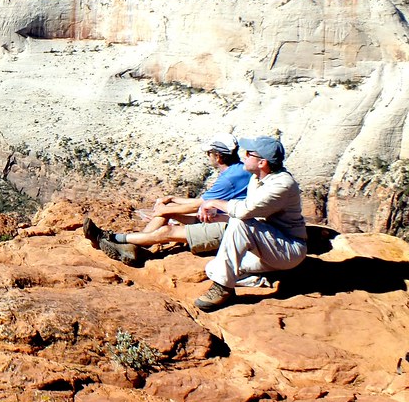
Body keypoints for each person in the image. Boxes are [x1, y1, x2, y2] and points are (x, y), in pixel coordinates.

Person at [83, 133, 252, 266]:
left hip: (226, 227)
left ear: (218, 156)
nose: (208, 157)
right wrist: (170, 200)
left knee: (166, 231)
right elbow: (203, 201)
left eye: (209, 153)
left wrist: (166, 209)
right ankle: (137, 246)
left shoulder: (229, 178)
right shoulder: (237, 170)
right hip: (219, 218)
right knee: (167, 209)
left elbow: (197, 205)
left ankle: (108, 237)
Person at [192, 135, 308, 311]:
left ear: (262, 162)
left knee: (238, 227)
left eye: (248, 153)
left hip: (288, 249)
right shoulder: (256, 179)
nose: (243, 156)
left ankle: (223, 290)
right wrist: (218, 216)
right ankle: (262, 279)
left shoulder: (282, 184)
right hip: (267, 245)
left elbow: (243, 213)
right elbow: (250, 217)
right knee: (213, 269)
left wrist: (213, 203)